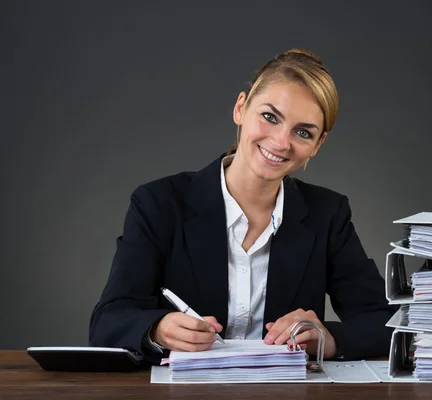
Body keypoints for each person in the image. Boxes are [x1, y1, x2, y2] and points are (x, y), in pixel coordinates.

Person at [89, 48, 397, 364]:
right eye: (270, 117)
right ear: (240, 108)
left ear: (317, 145)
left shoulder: (327, 214)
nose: (280, 142)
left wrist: (329, 340)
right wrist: (156, 329)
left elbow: (389, 322)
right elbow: (108, 319)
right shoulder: (159, 204)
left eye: (303, 132)